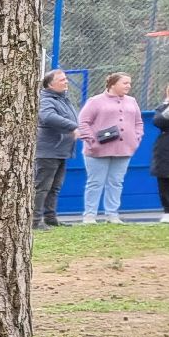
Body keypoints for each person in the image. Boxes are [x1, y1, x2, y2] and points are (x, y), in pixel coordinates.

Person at [77, 71, 143, 224]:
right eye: (125, 83)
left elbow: (138, 122)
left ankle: (112, 215)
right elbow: (83, 122)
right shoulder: (95, 101)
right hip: (97, 150)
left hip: (124, 149)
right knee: (95, 182)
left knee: (116, 182)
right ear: (113, 84)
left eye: (129, 83)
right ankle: (90, 215)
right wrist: (92, 141)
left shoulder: (132, 101)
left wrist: (136, 138)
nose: (129, 86)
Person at [34, 70, 80, 230]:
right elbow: (47, 116)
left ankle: (50, 218)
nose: (66, 82)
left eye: (66, 79)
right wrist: (72, 127)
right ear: (50, 84)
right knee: (42, 187)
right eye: (62, 79)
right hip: (48, 150)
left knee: (55, 187)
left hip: (61, 150)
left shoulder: (63, 99)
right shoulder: (46, 99)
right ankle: (34, 221)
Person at [151, 80, 169, 224]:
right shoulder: (163, 107)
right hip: (166, 146)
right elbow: (158, 121)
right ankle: (168, 211)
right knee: (165, 177)